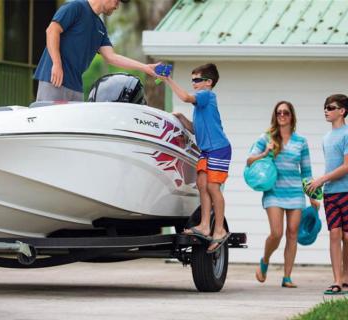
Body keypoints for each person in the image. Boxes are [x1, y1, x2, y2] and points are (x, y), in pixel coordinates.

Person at [247, 101, 319, 288]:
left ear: (291, 116)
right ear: (275, 115)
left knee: (293, 233)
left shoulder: (301, 142)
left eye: (286, 112)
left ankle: (287, 277)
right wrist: (265, 152)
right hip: (274, 191)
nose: (282, 115)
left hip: (295, 192)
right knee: (276, 233)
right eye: (279, 112)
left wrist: (312, 196)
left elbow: (306, 172)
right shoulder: (267, 137)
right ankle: (265, 260)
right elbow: (249, 161)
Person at [162, 63, 231, 254]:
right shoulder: (201, 102)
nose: (193, 83)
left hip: (219, 149)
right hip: (207, 150)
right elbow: (195, 129)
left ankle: (219, 229)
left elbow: (184, 97)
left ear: (208, 82)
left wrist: (167, 79)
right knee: (201, 184)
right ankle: (204, 225)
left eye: (197, 80)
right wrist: (181, 119)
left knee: (212, 187)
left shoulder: (206, 95)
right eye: (192, 80)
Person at [34, 0, 158, 102]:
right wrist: (57, 63)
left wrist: (145, 67)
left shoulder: (100, 28)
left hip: (76, 86)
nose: (117, 6)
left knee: (73, 128)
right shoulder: (76, 7)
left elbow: (111, 57)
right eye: (117, 1)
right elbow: (52, 30)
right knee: (48, 123)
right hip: (54, 78)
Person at [307, 94, 348, 295]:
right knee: (334, 234)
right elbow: (331, 165)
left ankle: (346, 277)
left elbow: (346, 167)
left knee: (347, 237)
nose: (326, 110)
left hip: (346, 192)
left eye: (331, 107)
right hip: (331, 194)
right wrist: (318, 185)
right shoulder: (326, 138)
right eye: (325, 107)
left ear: (342, 111)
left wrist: (322, 179)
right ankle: (337, 280)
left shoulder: (347, 134)